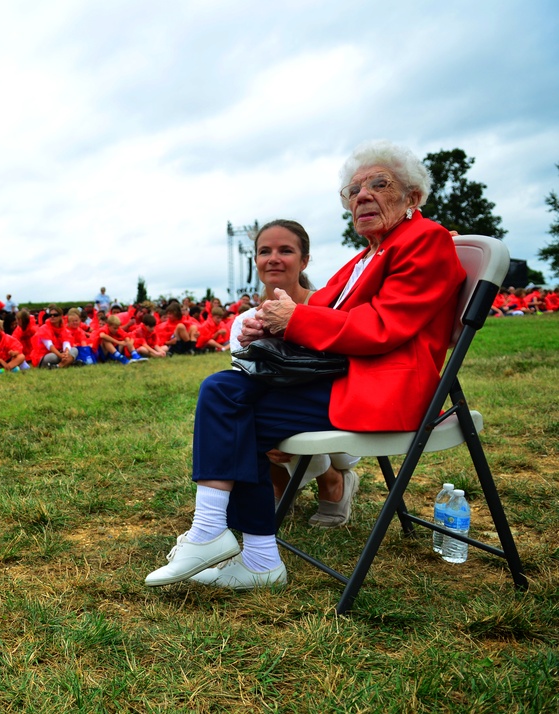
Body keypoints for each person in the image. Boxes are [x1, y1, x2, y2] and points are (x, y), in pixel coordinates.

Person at [144, 140, 466, 592]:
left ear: (412, 197)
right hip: (351, 376)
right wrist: (273, 328)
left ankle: (227, 541)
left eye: (378, 184)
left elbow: (382, 327)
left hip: (385, 389)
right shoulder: (368, 255)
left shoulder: (424, 240)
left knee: (228, 402)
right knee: (225, 393)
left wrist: (294, 320)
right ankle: (243, 550)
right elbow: (326, 309)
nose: (361, 196)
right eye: (352, 191)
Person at [229, 219, 361, 528]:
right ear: (256, 261)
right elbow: (247, 382)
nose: (273, 258)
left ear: (304, 260)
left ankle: (332, 481)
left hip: (334, 422)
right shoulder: (244, 322)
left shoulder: (327, 308)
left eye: (285, 250)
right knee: (245, 407)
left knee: (269, 417)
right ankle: (278, 483)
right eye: (264, 251)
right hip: (280, 426)